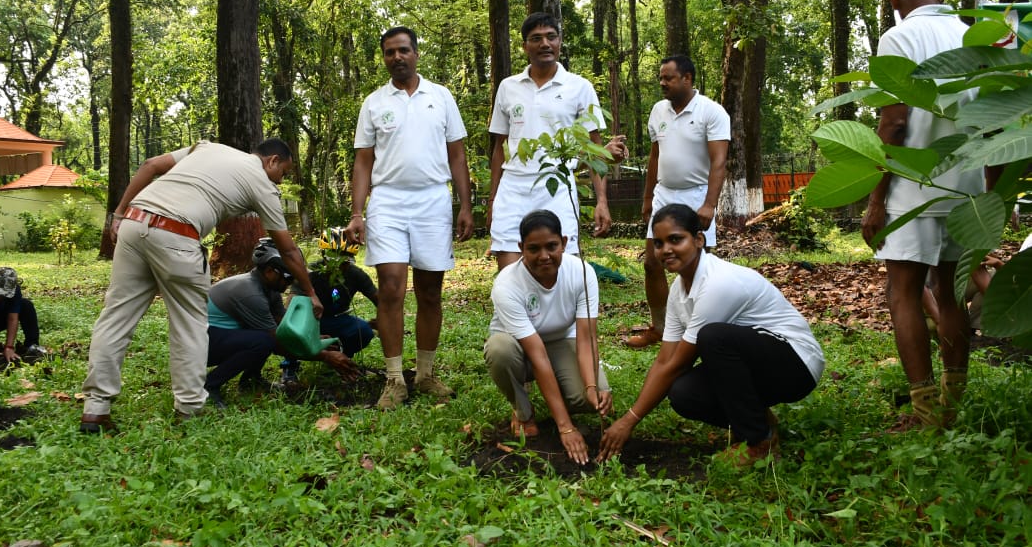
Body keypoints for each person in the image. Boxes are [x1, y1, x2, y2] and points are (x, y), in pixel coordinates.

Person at [79, 139, 324, 433]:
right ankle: (190, 408)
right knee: (190, 324)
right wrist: (310, 292)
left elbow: (151, 166)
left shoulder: (209, 147)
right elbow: (288, 250)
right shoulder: (262, 182)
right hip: (177, 234)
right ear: (272, 161)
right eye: (283, 173)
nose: (280, 181)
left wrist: (118, 214)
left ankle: (95, 409)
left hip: (134, 223)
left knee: (115, 318)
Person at [597, 204, 824, 467]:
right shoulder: (679, 290)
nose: (666, 250)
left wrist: (629, 421)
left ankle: (759, 442)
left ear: (698, 240)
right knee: (683, 393)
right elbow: (664, 361)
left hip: (796, 364)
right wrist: (629, 418)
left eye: (675, 239)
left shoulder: (719, 283)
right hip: (760, 363)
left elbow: (679, 362)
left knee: (713, 337)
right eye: (658, 243)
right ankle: (761, 422)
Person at [861, 0, 984, 429]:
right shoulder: (973, 35)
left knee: (904, 294)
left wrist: (875, 199)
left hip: (916, 189)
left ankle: (926, 412)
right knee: (951, 295)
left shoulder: (898, 38)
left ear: (894, 2)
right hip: (967, 186)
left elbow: (893, 123)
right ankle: (952, 402)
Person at [346, 26, 473, 410]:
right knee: (391, 287)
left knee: (431, 290)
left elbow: (457, 156)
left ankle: (426, 374)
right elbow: (363, 161)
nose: (396, 57)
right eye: (389, 52)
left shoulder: (442, 97)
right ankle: (394, 379)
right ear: (384, 58)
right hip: (388, 202)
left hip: (434, 200)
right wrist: (357, 211)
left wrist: (465, 205)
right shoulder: (373, 102)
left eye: (403, 50)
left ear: (416, 53)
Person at [487, 12, 627, 271]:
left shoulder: (579, 87)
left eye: (551, 37)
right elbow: (500, 148)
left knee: (560, 274)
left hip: (559, 188)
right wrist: (493, 199)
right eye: (536, 38)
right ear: (524, 46)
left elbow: (594, 148)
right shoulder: (508, 87)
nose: (545, 44)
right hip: (513, 190)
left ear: (560, 41)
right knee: (509, 274)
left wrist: (602, 201)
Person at [485, 210, 613, 466]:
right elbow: (537, 354)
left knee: (591, 399)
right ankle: (523, 411)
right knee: (500, 350)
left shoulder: (582, 273)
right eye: (534, 248)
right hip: (519, 346)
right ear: (521, 248)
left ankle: (564, 391)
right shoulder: (507, 284)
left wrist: (590, 387)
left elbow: (586, 338)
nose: (544, 256)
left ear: (564, 243)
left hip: (561, 340)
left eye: (552, 246)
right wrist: (565, 427)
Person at [626, 54, 730, 349]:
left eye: (668, 78)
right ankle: (659, 328)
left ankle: (698, 330)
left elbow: (719, 161)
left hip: (696, 195)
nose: (662, 83)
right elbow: (655, 155)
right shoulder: (658, 111)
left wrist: (710, 204)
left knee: (698, 267)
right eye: (661, 77)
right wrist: (647, 197)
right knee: (651, 263)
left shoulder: (712, 111)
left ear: (687, 78)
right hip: (664, 194)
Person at [205, 238, 357, 408]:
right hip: (202, 345)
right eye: (289, 277)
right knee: (263, 341)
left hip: (219, 337)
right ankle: (210, 385)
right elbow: (279, 343)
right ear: (270, 271)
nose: (291, 282)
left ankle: (251, 380)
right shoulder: (251, 294)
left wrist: (314, 339)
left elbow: (284, 326)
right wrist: (325, 357)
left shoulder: (269, 290)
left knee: (263, 337)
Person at [280, 227, 378, 386]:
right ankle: (290, 366)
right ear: (325, 255)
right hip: (311, 322)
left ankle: (342, 359)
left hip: (338, 319)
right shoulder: (310, 273)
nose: (341, 264)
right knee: (291, 332)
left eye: (346, 259)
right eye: (336, 258)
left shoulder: (355, 274)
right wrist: (305, 332)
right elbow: (290, 306)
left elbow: (378, 298)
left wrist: (382, 316)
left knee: (363, 331)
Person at [0, 267, 47, 362]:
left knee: (26, 305)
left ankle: (31, 345)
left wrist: (9, 347)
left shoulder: (14, 291)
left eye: (3, 295)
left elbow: (13, 318)